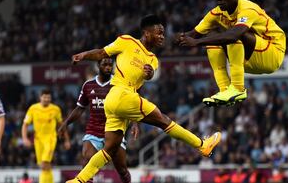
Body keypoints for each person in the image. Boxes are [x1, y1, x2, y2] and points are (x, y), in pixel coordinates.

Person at [66, 14, 221, 183]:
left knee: (108, 150)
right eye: (159, 33)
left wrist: (150, 74)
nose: (162, 37)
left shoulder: (153, 59)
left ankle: (78, 181)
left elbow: (150, 75)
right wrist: (83, 55)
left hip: (116, 101)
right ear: (147, 33)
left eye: (163, 33)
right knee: (164, 121)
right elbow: (102, 52)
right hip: (121, 93)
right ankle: (202, 145)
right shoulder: (126, 41)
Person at [178, 0, 286, 106]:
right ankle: (225, 91)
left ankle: (238, 89)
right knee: (213, 34)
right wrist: (177, 38)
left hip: (273, 53)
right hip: (250, 58)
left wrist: (197, 43)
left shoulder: (248, 9)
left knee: (234, 34)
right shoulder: (216, 13)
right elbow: (193, 34)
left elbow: (234, 35)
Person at [58, 58, 138, 183]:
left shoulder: (119, 84)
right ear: (98, 66)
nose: (108, 67)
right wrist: (66, 123)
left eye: (110, 65)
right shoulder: (88, 85)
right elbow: (80, 108)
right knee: (87, 166)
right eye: (104, 64)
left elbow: (131, 105)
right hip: (93, 132)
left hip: (114, 132)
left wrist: (134, 123)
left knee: (122, 170)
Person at [22, 89, 71, 183]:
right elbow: (25, 124)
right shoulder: (33, 108)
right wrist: (24, 138)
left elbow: (62, 125)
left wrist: (67, 140)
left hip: (50, 138)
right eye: (44, 97)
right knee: (44, 166)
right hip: (38, 140)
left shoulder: (55, 109)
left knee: (44, 164)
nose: (46, 99)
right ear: (40, 97)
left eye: (48, 97)